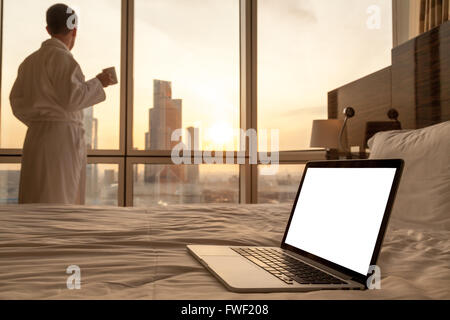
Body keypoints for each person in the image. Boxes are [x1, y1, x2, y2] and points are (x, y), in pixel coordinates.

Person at [9, 3, 115, 204]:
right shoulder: (63, 59)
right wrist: (99, 82)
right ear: (74, 29)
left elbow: (16, 103)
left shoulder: (28, 62)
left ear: (48, 29)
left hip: (36, 136)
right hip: (61, 139)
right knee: (59, 199)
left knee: (36, 196)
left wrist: (39, 120)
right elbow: (73, 98)